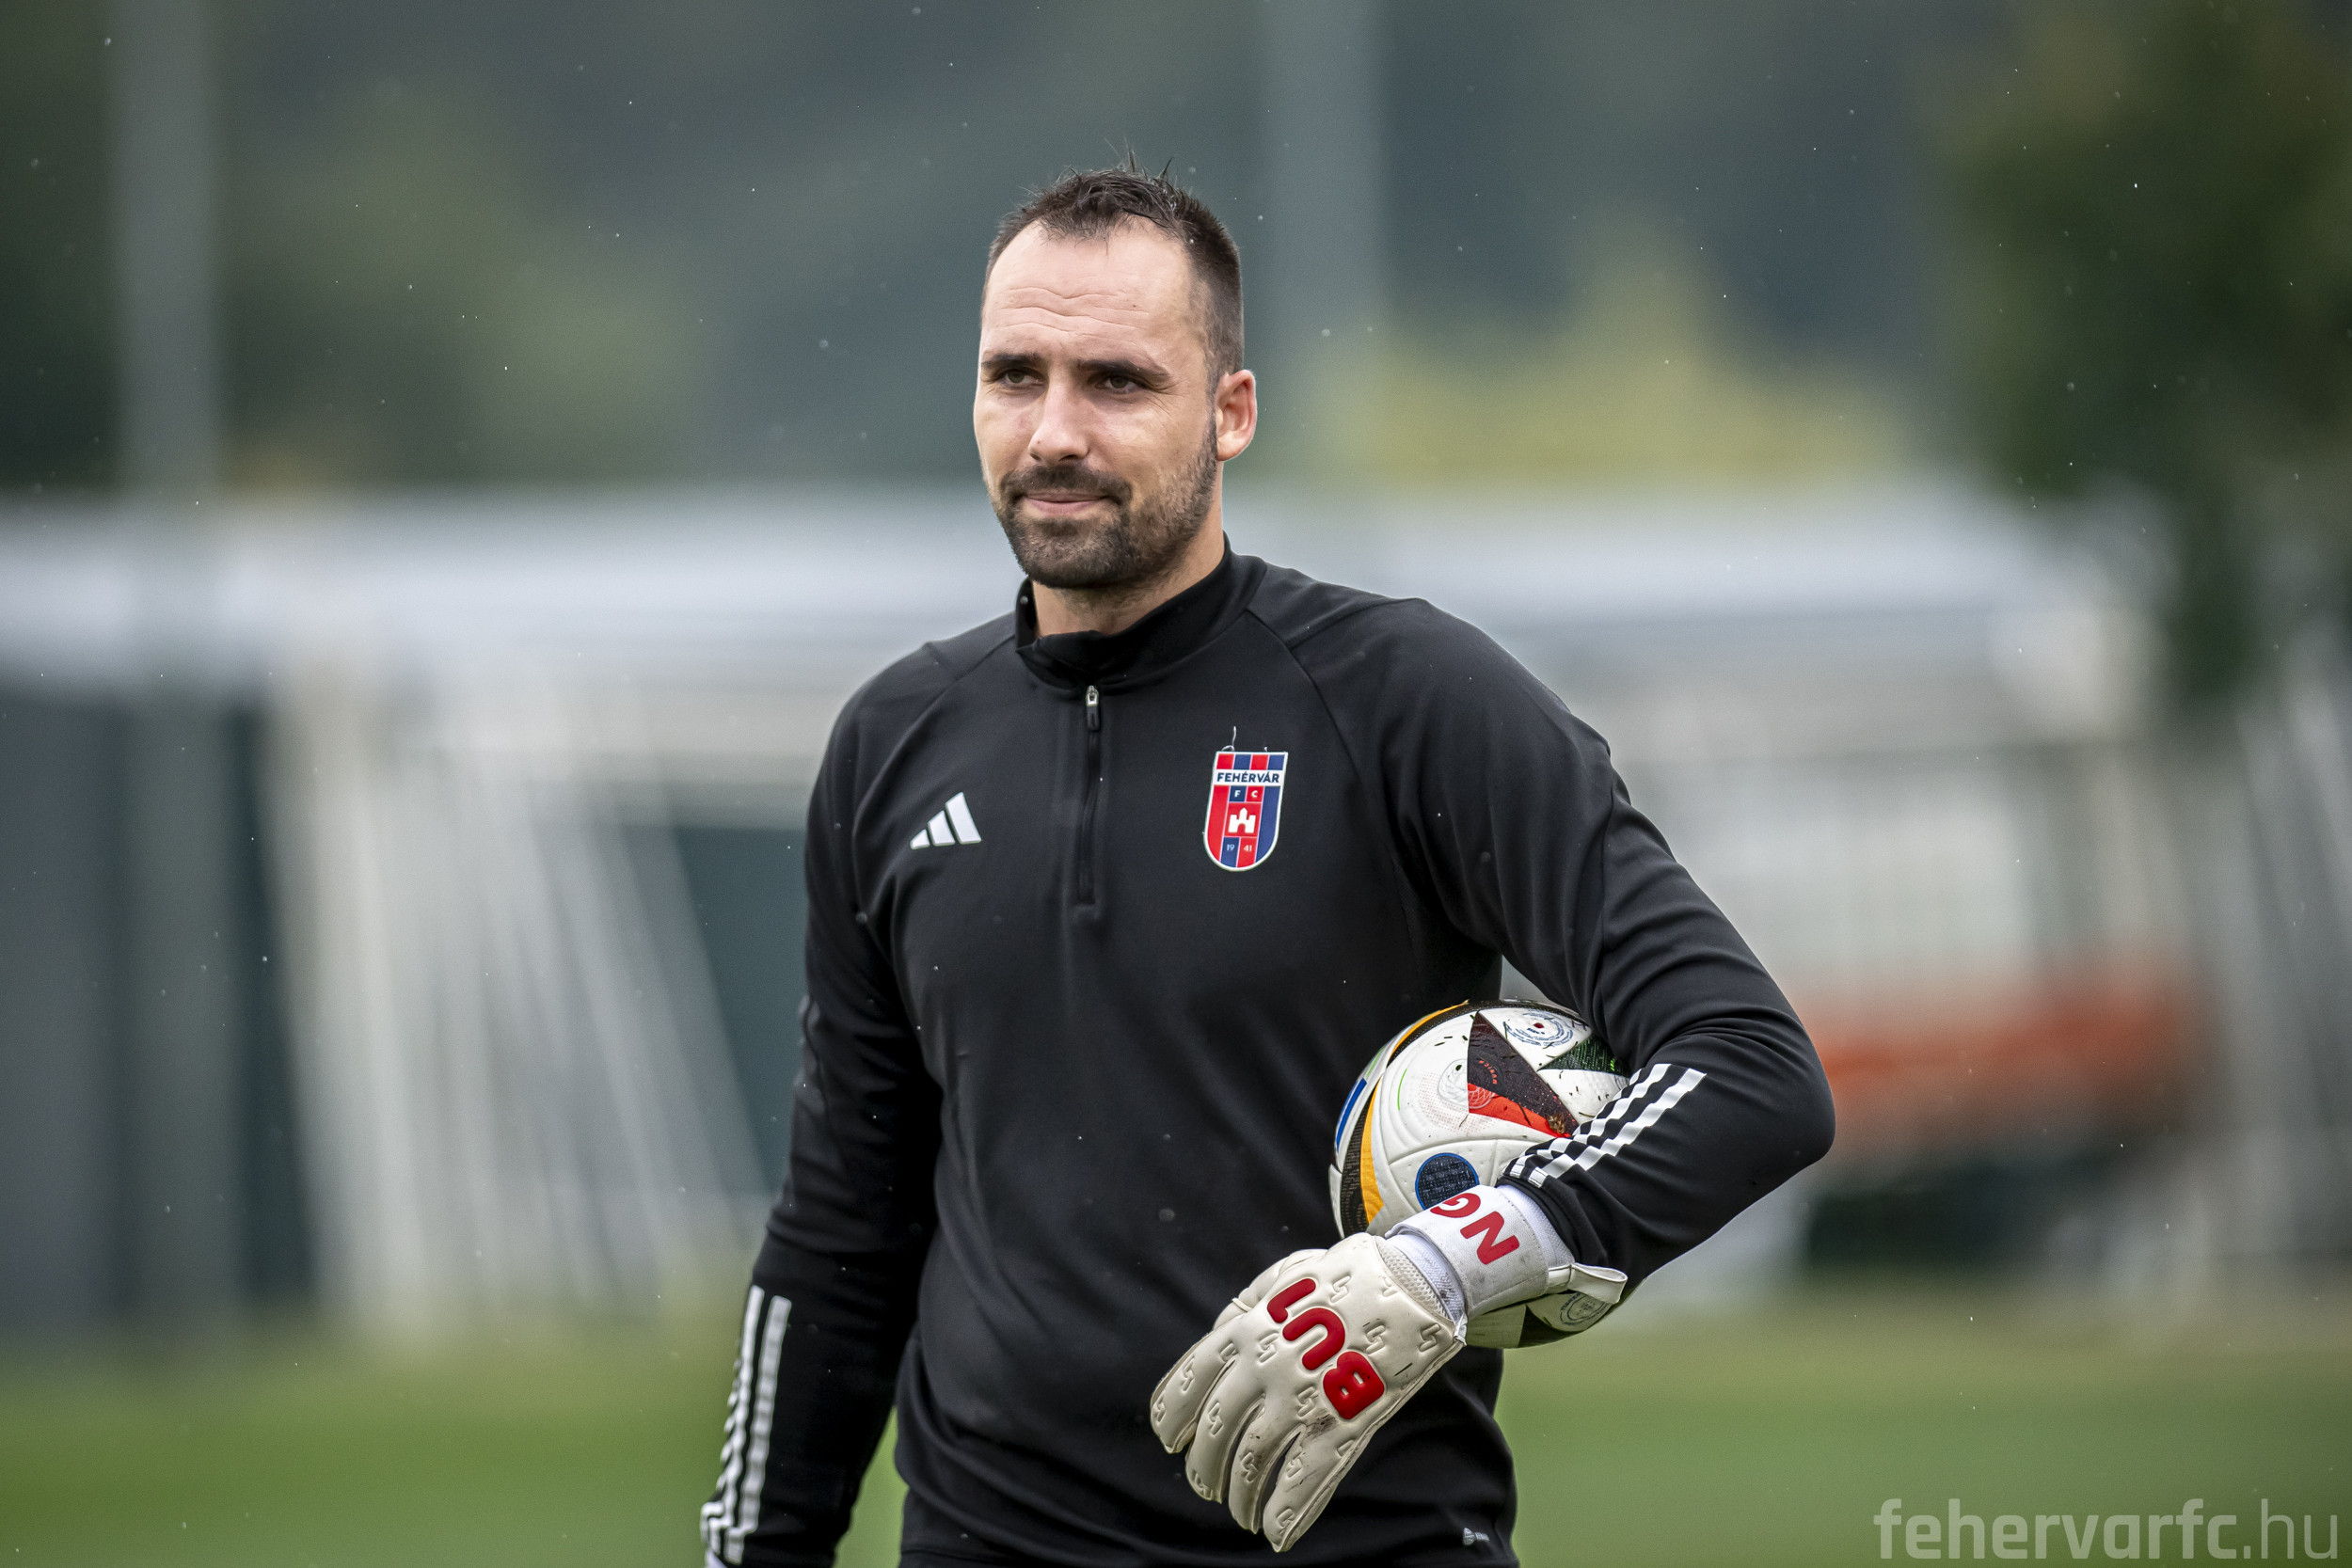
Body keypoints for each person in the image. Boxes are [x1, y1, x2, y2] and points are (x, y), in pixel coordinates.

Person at [698, 164, 1834, 1568]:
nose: (1054, 432)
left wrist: (1446, 1261)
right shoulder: (894, 746)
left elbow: (1750, 1069)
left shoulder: (1407, 701)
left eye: (1119, 382)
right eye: (1014, 376)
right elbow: (840, 1235)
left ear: (1231, 412)